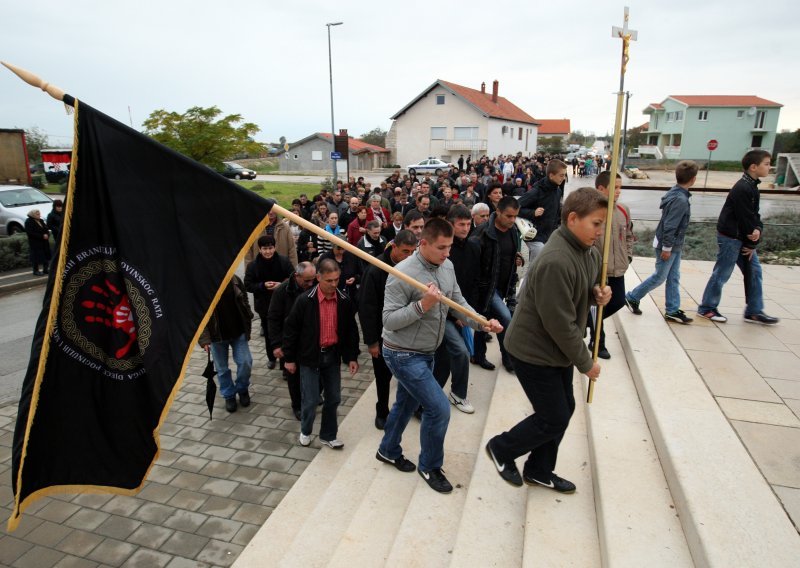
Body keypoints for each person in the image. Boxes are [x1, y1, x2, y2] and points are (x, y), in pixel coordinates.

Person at [485, 187, 611, 491]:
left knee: (563, 409)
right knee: (553, 415)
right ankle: (502, 448)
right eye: (596, 223)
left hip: (555, 351)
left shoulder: (588, 252)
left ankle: (539, 470)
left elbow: (581, 290)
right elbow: (560, 323)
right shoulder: (557, 260)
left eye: (602, 224)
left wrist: (597, 295)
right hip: (533, 351)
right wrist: (585, 362)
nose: (600, 231)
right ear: (572, 219)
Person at [376, 218, 503, 493]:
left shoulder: (447, 266)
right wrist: (424, 305)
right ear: (423, 244)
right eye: (442, 247)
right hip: (402, 353)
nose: (448, 253)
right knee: (439, 408)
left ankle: (387, 449)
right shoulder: (402, 273)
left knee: (406, 405)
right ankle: (430, 466)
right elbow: (389, 320)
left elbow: (458, 303)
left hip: (427, 351)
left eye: (449, 247)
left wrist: (481, 322)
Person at [282, 259, 360, 449]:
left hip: (332, 357)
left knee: (333, 398)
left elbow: (351, 330)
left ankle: (328, 435)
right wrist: (289, 359)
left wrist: (351, 357)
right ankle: (306, 430)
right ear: (318, 278)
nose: (334, 285)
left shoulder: (344, 300)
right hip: (309, 358)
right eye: (329, 281)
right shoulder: (304, 301)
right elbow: (291, 330)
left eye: (337, 280)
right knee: (309, 400)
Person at [697, 150, 779, 325]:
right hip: (731, 238)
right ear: (753, 167)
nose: (769, 167)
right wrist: (752, 241)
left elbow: (754, 217)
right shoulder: (743, 188)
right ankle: (707, 308)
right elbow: (745, 219)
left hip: (741, 238)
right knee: (722, 273)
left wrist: (758, 230)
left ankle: (754, 311)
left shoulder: (752, 186)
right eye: (766, 163)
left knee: (755, 271)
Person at [625, 160, 697, 324]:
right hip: (669, 245)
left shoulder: (676, 193)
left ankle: (672, 309)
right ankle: (633, 296)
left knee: (673, 277)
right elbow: (670, 225)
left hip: (673, 245)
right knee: (660, 277)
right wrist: (667, 247)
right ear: (693, 179)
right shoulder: (680, 199)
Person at [359, 230, 418, 429]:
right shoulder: (376, 269)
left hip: (406, 333)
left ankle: (408, 408)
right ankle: (382, 411)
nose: (408, 257)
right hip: (382, 335)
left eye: (412, 252)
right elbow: (367, 308)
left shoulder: (412, 267)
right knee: (383, 378)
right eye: (404, 251)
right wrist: (372, 341)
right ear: (393, 247)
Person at [433, 205, 481, 413]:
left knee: (449, 355)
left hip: (461, 309)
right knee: (459, 352)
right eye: (461, 224)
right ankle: (455, 394)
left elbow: (472, 282)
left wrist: (468, 313)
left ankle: (451, 393)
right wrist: (455, 314)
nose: (465, 228)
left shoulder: (474, 247)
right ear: (450, 225)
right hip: (441, 312)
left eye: (468, 224)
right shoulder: (441, 251)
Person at [471, 196, 523, 373]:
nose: (512, 220)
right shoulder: (483, 232)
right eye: (509, 216)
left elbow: (509, 254)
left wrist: (516, 260)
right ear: (498, 212)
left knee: (483, 322)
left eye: (515, 216)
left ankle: (478, 355)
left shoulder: (513, 230)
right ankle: (508, 360)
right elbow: (473, 262)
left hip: (504, 287)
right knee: (506, 320)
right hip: (487, 288)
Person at [588, 172, 634, 359]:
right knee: (599, 304)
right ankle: (598, 341)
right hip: (598, 269)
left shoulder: (623, 210)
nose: (618, 191)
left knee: (618, 301)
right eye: (614, 187)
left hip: (618, 267)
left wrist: (628, 255)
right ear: (601, 189)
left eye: (620, 187)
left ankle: (586, 323)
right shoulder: (593, 212)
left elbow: (629, 235)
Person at [268, 262, 317, 420]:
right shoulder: (282, 291)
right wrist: (276, 344)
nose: (310, 284)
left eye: (313, 280)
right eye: (307, 280)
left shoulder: (315, 287)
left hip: (311, 340)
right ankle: (297, 405)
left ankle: (314, 396)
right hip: (291, 341)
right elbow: (273, 318)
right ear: (297, 276)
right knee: (294, 377)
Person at [199, 275, 254, 413]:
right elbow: (198, 315)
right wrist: (204, 340)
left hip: (238, 331)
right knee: (222, 369)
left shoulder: (234, 279)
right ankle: (229, 394)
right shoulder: (201, 285)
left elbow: (244, 298)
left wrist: (247, 316)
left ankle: (242, 389)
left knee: (246, 362)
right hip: (217, 337)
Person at [244, 235, 293, 370]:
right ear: (260, 249)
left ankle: (285, 363)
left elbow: (294, 278)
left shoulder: (283, 261)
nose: (268, 252)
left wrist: (281, 285)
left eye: (270, 248)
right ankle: (271, 357)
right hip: (264, 305)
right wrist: (262, 286)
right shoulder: (253, 266)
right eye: (265, 249)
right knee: (269, 333)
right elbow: (248, 285)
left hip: (284, 304)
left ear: (275, 247)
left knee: (285, 332)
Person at [518, 159, 567, 263]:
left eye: (564, 175)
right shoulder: (536, 191)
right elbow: (516, 207)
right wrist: (533, 213)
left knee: (544, 268)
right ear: (551, 175)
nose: (564, 178)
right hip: (535, 235)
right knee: (536, 269)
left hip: (549, 236)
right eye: (561, 175)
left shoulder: (557, 191)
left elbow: (555, 214)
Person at [24, 209, 51, 276]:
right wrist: (42, 236)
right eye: (37, 214)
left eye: (39, 214)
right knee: (36, 257)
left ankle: (45, 269)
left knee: (46, 255)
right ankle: (36, 270)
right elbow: (30, 233)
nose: (39, 215)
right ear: (33, 215)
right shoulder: (29, 222)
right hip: (35, 242)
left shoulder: (41, 221)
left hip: (44, 242)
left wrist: (47, 234)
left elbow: (46, 228)